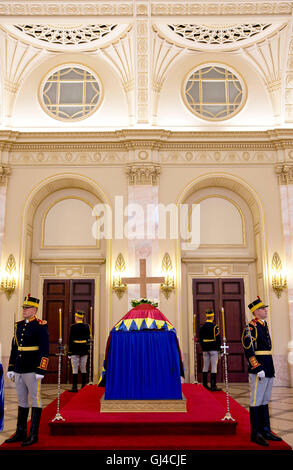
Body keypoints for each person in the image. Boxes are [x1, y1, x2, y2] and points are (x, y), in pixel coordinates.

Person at [6, 294, 49, 446]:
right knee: (22, 400)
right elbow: (14, 348)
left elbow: (44, 349)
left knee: (35, 400)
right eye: (23, 308)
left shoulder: (40, 325)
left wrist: (41, 370)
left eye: (27, 308)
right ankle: (20, 432)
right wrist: (11, 367)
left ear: (34, 310)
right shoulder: (18, 325)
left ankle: (33, 434)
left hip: (32, 369)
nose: (24, 310)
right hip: (19, 368)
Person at [241, 296, 282, 446]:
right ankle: (255, 433)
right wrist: (257, 367)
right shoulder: (251, 327)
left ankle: (265, 429)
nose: (265, 310)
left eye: (265, 308)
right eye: (263, 308)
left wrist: (267, 368)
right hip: (259, 367)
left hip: (268, 366)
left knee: (265, 400)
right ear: (256, 311)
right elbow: (248, 349)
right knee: (256, 400)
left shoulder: (264, 325)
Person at [199, 309, 222, 391]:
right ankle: (213, 385)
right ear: (212, 317)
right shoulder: (214, 327)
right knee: (213, 367)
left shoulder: (202, 327)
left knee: (205, 366)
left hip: (205, 349)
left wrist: (203, 346)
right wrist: (220, 349)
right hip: (213, 348)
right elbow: (218, 339)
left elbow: (200, 339)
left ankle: (205, 384)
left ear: (206, 316)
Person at [68, 311, 90, 392]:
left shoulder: (73, 327)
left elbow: (70, 340)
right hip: (84, 349)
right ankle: (83, 385)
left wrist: (69, 351)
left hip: (75, 349)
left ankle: (74, 387)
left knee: (75, 368)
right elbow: (88, 339)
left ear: (76, 318)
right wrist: (87, 349)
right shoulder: (87, 326)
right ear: (82, 318)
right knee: (83, 367)